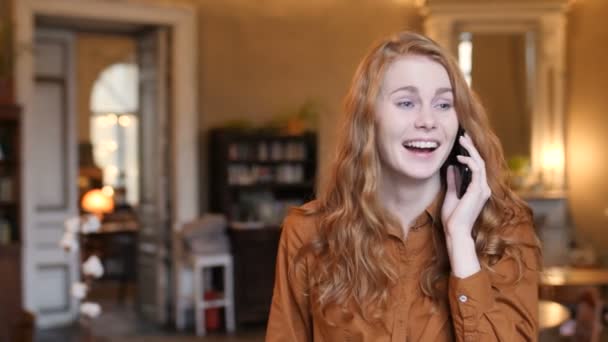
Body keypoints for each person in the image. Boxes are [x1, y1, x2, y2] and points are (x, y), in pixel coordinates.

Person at [266, 31, 542, 341]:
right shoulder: (308, 231)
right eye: (407, 102)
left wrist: (460, 240)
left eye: (443, 104)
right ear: (369, 117)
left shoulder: (505, 229)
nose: (427, 120)